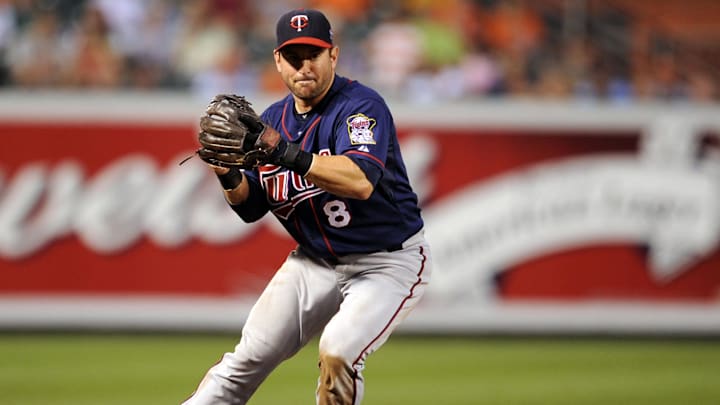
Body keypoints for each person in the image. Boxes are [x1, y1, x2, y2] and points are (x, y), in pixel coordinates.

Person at [183, 8, 432, 405]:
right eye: (293, 57)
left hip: (386, 263)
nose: (304, 67)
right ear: (277, 61)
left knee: (338, 350)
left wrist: (284, 152)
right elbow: (251, 207)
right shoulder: (271, 119)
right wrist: (226, 174)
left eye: (312, 55)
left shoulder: (360, 107)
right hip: (313, 262)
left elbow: (360, 180)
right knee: (248, 357)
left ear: (333, 56)